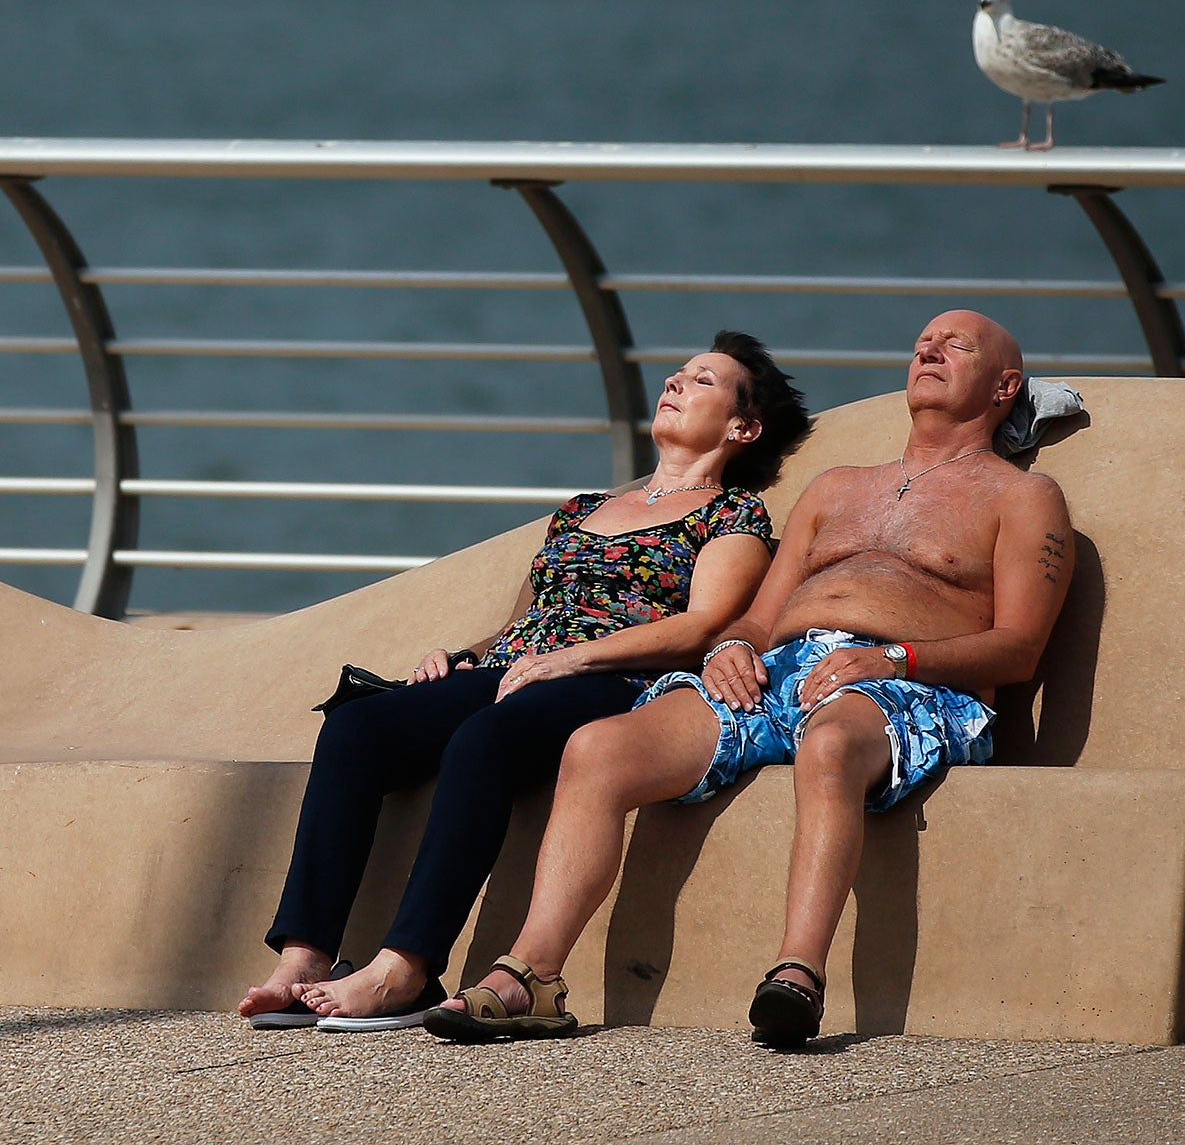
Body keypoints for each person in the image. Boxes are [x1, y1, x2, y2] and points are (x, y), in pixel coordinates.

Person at [427, 310, 1072, 1046]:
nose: (928, 350)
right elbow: (759, 620)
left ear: (1005, 385)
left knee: (829, 747)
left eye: (955, 346)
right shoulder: (837, 488)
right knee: (598, 749)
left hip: (912, 682)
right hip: (779, 671)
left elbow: (1019, 649)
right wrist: (730, 648)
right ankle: (533, 978)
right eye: (922, 341)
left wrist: (893, 659)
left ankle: (797, 973)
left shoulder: (1023, 497)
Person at [237, 332, 811, 1030]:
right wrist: (458, 657)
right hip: (523, 670)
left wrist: (573, 658)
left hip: (619, 681)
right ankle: (305, 953)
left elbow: (700, 626)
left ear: (742, 427)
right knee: (359, 728)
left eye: (703, 381)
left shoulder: (731, 514)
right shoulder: (581, 509)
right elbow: (524, 624)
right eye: (679, 374)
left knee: (487, 738)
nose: (676, 383)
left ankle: (406, 968)